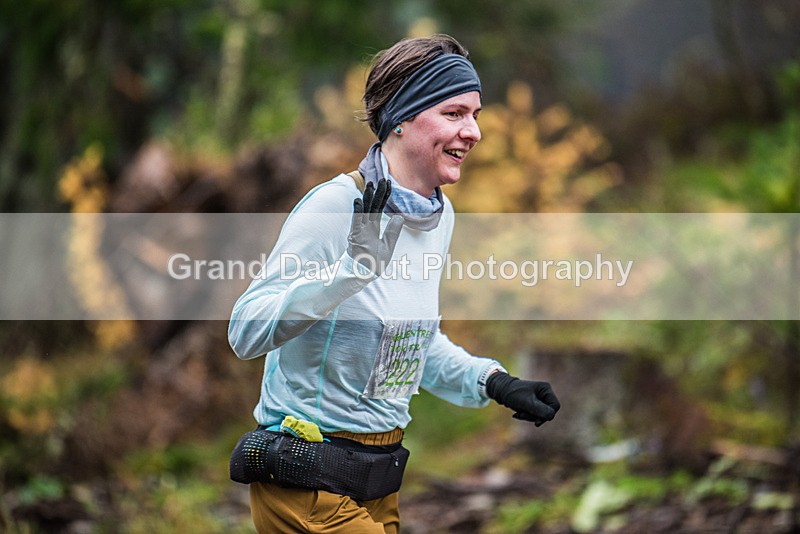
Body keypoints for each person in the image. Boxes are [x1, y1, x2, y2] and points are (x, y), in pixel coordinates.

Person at [228, 34, 560, 534]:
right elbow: (245, 332)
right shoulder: (336, 206)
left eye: (475, 115)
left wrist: (494, 381)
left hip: (377, 482)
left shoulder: (438, 216)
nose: (473, 131)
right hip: (307, 480)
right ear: (401, 118)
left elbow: (406, 344)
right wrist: (351, 271)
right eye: (454, 113)